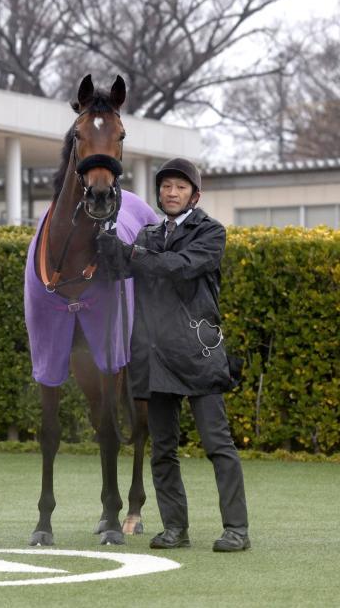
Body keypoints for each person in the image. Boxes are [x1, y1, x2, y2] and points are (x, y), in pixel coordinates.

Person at [96, 158, 250, 552]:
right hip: (156, 356)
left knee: (218, 445)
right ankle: (175, 529)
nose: (171, 192)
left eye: (180, 187)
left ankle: (237, 529)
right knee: (163, 449)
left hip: (199, 353)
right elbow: (118, 272)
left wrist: (131, 254)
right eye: (166, 186)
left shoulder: (211, 232)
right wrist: (106, 242)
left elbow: (180, 267)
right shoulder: (148, 235)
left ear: (194, 195)